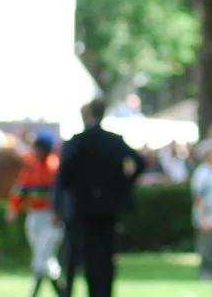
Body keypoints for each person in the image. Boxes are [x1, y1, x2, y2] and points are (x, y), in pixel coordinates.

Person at [54, 99, 145, 297]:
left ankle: (91, 290)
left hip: (83, 205)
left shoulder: (78, 141)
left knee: (86, 251)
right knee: (106, 253)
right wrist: (123, 183)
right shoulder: (113, 141)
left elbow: (63, 176)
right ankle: (103, 292)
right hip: (108, 206)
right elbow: (139, 162)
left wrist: (62, 202)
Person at [7, 131, 63, 297]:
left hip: (51, 218)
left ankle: (35, 292)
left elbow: (61, 194)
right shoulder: (30, 167)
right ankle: (62, 292)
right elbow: (19, 190)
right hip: (34, 216)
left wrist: (57, 212)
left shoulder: (55, 168)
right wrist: (13, 209)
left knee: (42, 255)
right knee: (44, 256)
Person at [189, 140, 212, 280]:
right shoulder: (202, 173)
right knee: (206, 246)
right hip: (206, 215)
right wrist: (203, 217)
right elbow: (198, 197)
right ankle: (206, 273)